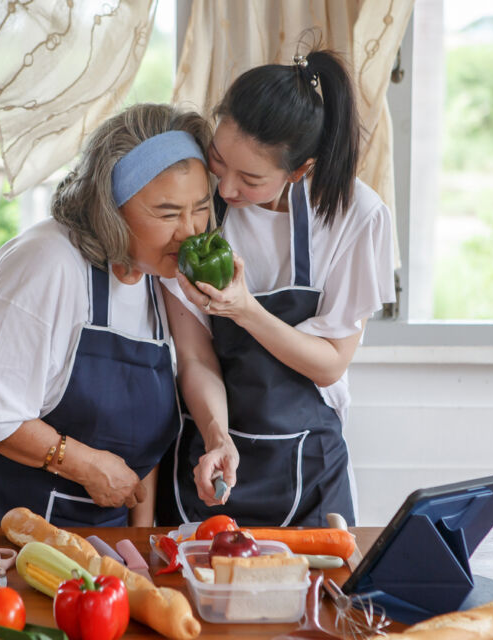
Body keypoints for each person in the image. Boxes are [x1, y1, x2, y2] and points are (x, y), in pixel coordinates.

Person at [0, 103, 237, 528]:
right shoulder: (46, 264)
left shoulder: (159, 271)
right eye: (167, 214)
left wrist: (140, 544)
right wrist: (85, 464)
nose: (191, 232)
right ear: (111, 207)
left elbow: (189, 374)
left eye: (200, 207)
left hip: (97, 534)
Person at [158, 48, 396, 527]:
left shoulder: (356, 217)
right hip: (206, 457)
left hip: (310, 471)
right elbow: (196, 356)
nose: (224, 191)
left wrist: (245, 310)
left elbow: (329, 365)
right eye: (218, 161)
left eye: (250, 179)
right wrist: (217, 438)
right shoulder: (196, 206)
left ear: (300, 169)